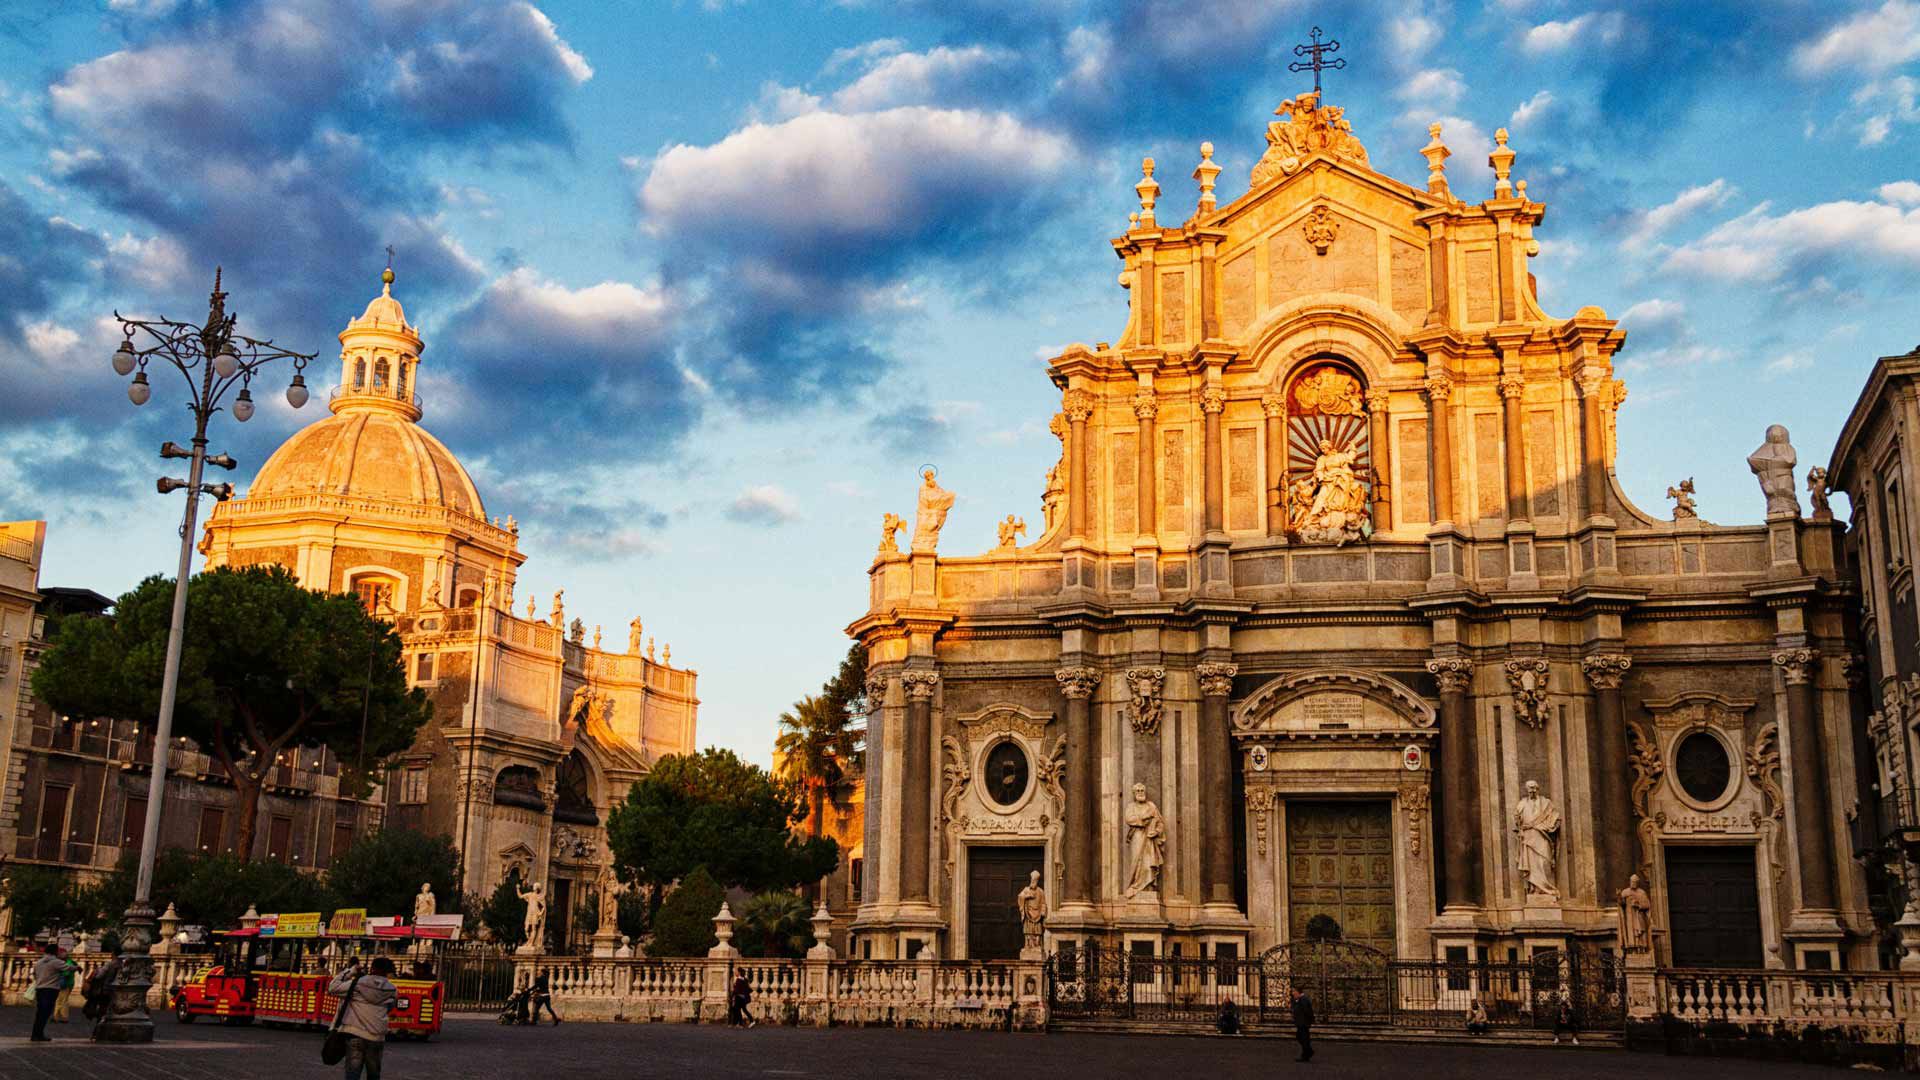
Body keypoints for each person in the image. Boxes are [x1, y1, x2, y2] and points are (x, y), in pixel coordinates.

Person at [326, 956, 398, 1080]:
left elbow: (333, 987)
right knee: (374, 1074)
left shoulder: (358, 984)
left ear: (372, 967)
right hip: (377, 1036)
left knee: (353, 1073)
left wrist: (351, 971)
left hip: (355, 1033)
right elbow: (390, 1008)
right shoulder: (392, 989)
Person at [29, 942, 65, 1042]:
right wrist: (77, 968)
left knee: (40, 1012)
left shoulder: (39, 962)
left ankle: (35, 1034)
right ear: (55, 952)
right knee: (45, 1013)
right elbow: (68, 967)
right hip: (50, 990)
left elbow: (35, 974)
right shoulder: (55, 961)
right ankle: (38, 1034)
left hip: (40, 988)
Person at [52, 945, 78, 1023]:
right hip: (66, 983)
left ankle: (61, 1017)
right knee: (61, 1000)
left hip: (65, 984)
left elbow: (66, 974)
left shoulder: (67, 962)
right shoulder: (69, 961)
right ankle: (59, 1016)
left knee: (61, 1000)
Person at [1290, 984, 1314, 1062]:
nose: (1292, 993)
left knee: (1303, 1038)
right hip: (1301, 1023)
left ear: (1298, 992)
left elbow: (1307, 1011)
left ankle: (1307, 1053)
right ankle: (1307, 1053)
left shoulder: (1303, 999)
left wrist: (1308, 1021)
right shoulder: (1299, 999)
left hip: (1303, 1023)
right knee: (1302, 1038)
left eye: (1293, 991)